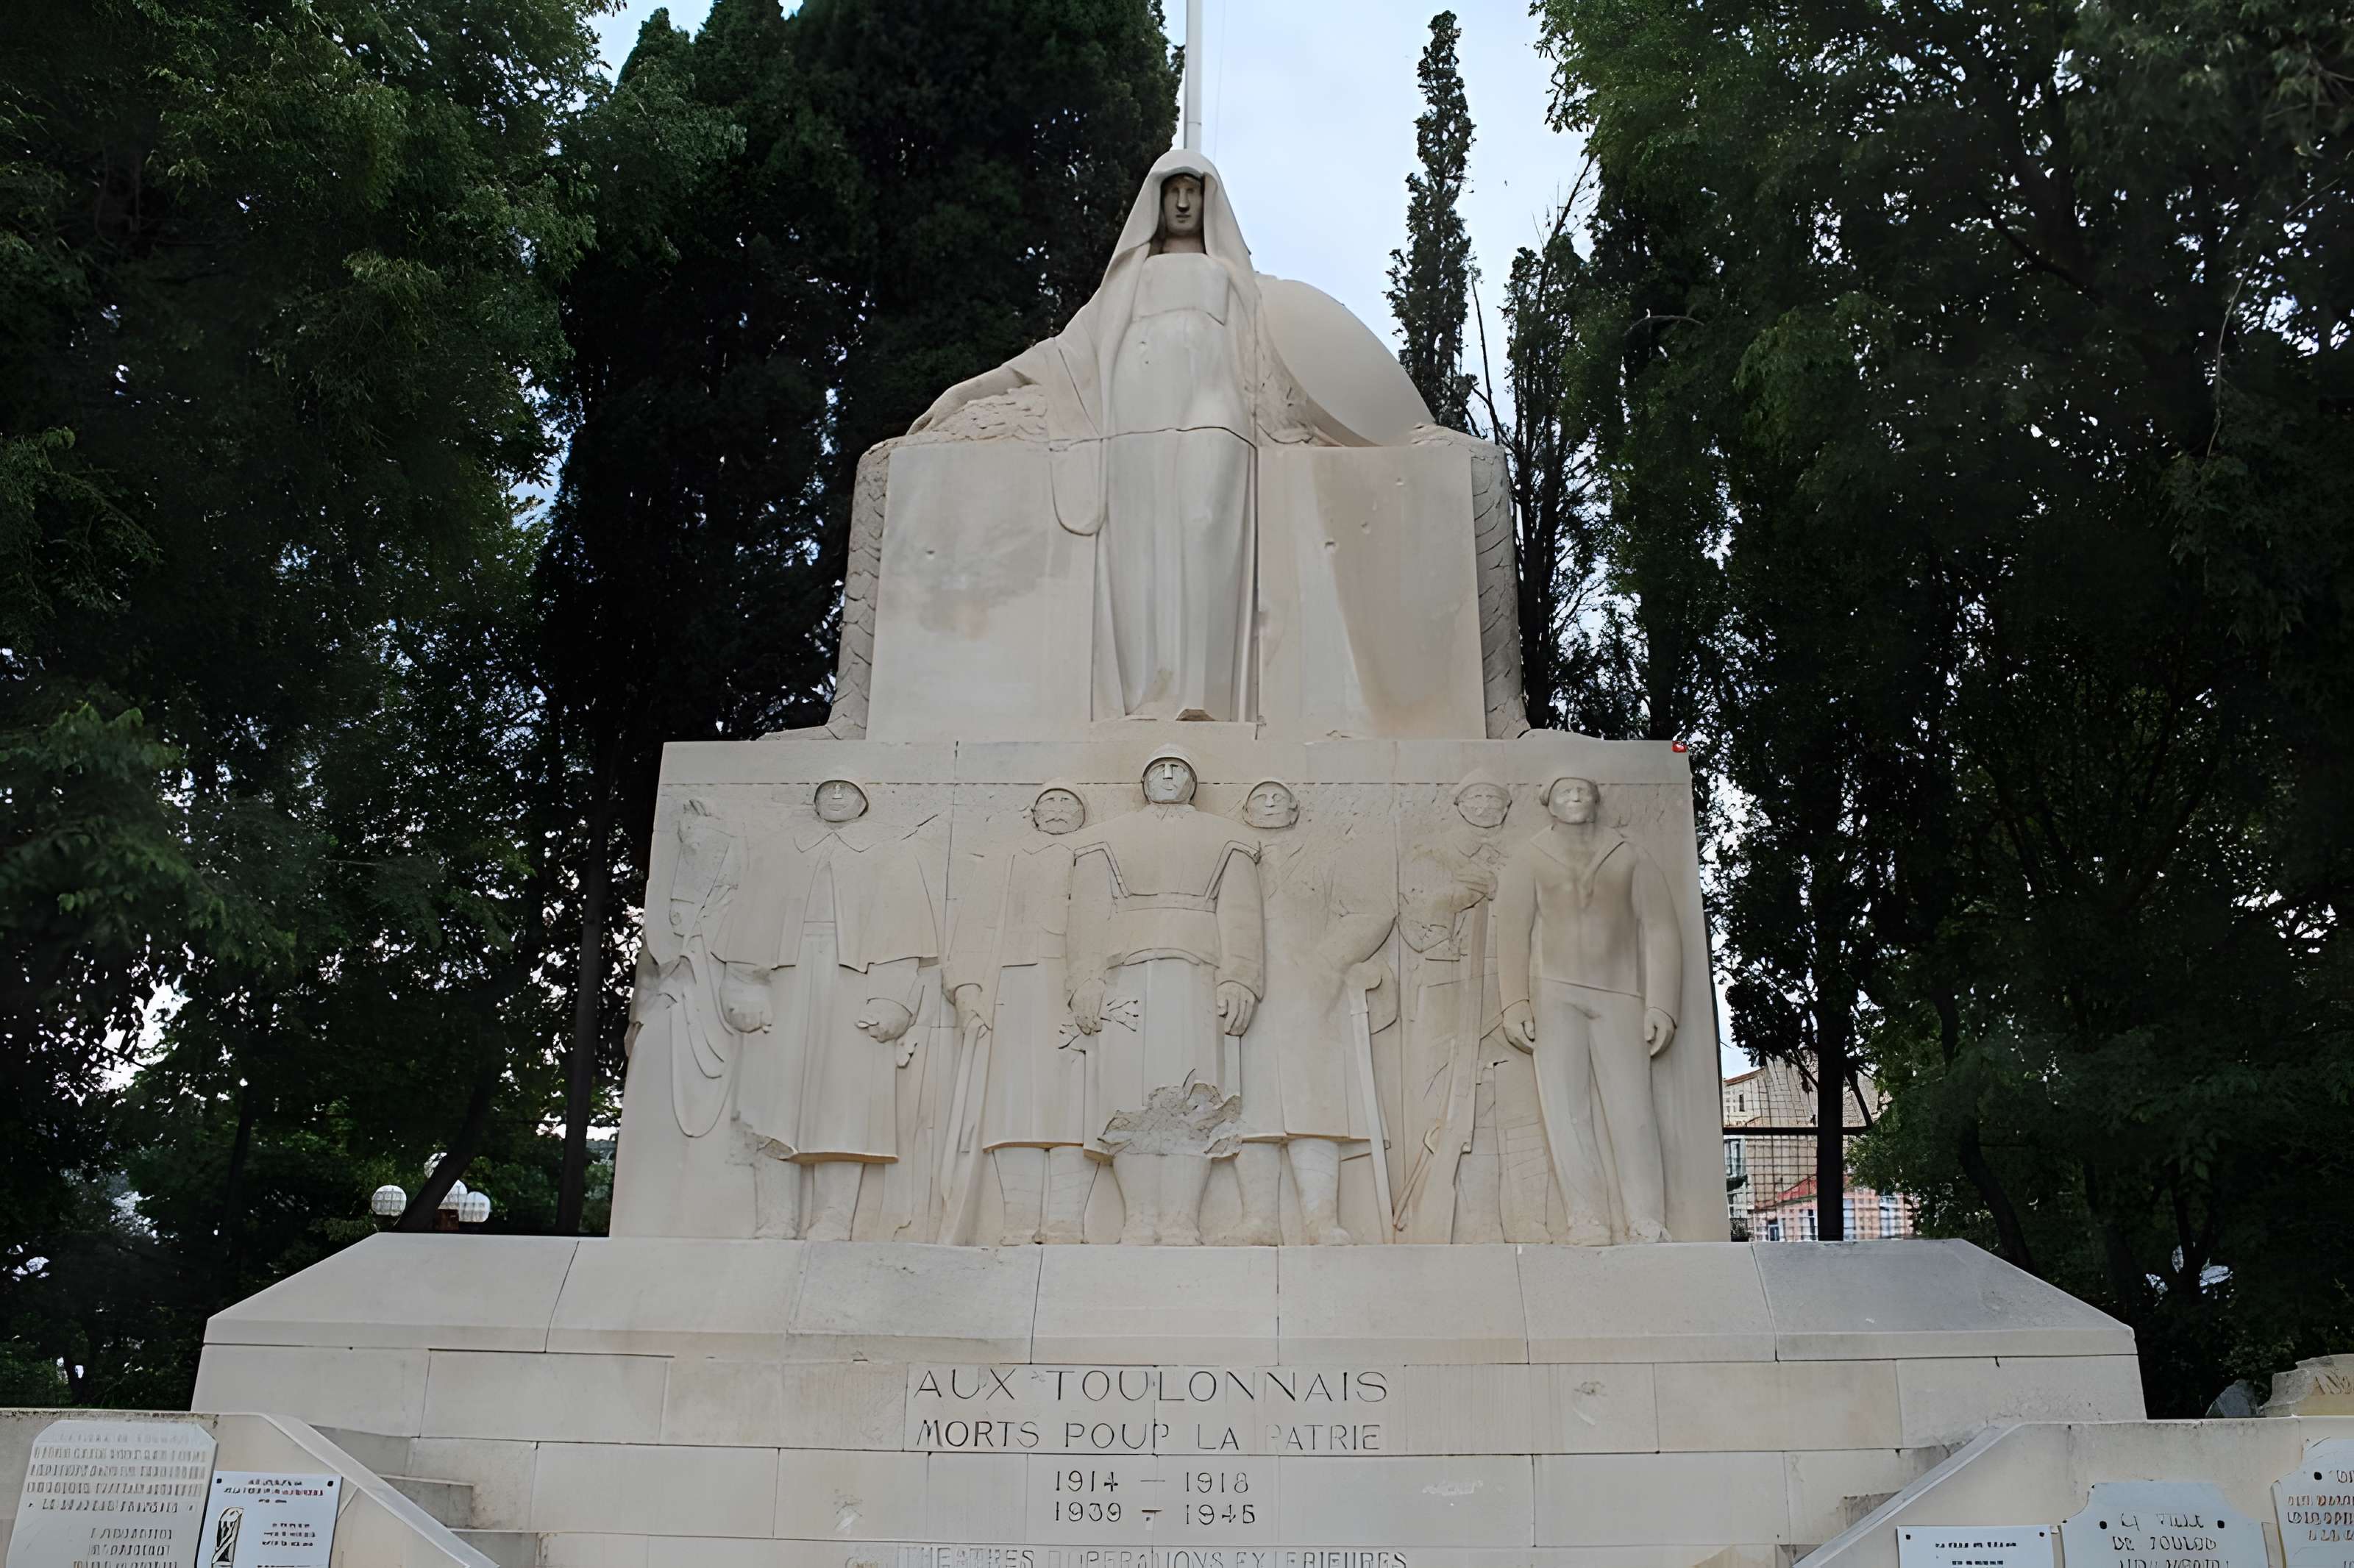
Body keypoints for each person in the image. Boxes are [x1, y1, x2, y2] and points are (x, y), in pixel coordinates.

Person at [716, 775, 939, 1241]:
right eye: (829, 788)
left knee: (848, 1101)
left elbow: (903, 932)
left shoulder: (889, 852)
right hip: (787, 979)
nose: (837, 797)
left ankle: (835, 1217)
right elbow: (750, 923)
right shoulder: (779, 850)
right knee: (772, 1100)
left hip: (857, 983)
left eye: (848, 789)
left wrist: (893, 998)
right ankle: (775, 1217)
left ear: (864, 800)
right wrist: (746, 986)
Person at [1066, 747, 1263, 1243]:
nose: (1169, 776)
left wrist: (1240, 979)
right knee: (1127, 1096)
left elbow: (1241, 915)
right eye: (1159, 769)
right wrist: (1084, 981)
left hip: (1196, 972)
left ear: (1193, 782)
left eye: (1179, 769)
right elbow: (1087, 917)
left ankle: (1182, 1218)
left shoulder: (1226, 840)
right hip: (1125, 974)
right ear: (1144, 781)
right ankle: (1138, 1216)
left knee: (1192, 1097)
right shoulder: (1104, 841)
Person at [1496, 776, 1684, 1244]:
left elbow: (1660, 929)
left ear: (1597, 800)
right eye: (1564, 791)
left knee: (1633, 1110)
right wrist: (1515, 999)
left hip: (1620, 994)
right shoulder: (1531, 857)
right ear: (1549, 803)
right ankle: (1586, 1216)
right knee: (1566, 1110)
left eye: (1582, 790)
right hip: (1555, 995)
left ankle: (1645, 1216)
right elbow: (1512, 930)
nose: (1575, 797)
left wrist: (1662, 1003)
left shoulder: (1629, 854)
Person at [1231, 780, 1395, 1244]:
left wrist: (1328, 959)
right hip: (1246, 994)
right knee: (1250, 1109)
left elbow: (1371, 913)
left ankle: (1321, 1220)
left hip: (1312, 994)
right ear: (1245, 809)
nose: (1268, 804)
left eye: (1277, 798)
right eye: (1259, 797)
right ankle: (1258, 1220)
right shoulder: (1233, 857)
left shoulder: (1327, 856)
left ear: (1295, 808)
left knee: (1315, 1106)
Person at [943, 783, 1092, 1244]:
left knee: (1079, 1106)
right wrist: (968, 987)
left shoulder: (1093, 856)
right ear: (1032, 812)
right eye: (1049, 802)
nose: (1058, 810)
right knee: (1015, 1105)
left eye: (1068, 803)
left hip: (1081, 990)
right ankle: (1018, 1220)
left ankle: (1067, 1221)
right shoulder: (1005, 860)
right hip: (1015, 984)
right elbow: (974, 924)